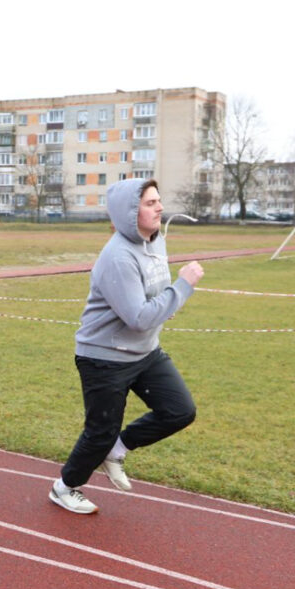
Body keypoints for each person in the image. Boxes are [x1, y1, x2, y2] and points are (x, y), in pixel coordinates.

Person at [49, 178, 205, 514]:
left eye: (158, 201)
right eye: (150, 203)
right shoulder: (118, 256)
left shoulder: (156, 242)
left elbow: (153, 296)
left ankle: (116, 450)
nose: (159, 208)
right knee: (99, 432)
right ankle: (65, 487)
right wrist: (183, 287)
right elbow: (138, 316)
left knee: (179, 410)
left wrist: (166, 304)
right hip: (104, 357)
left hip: (145, 351)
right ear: (130, 212)